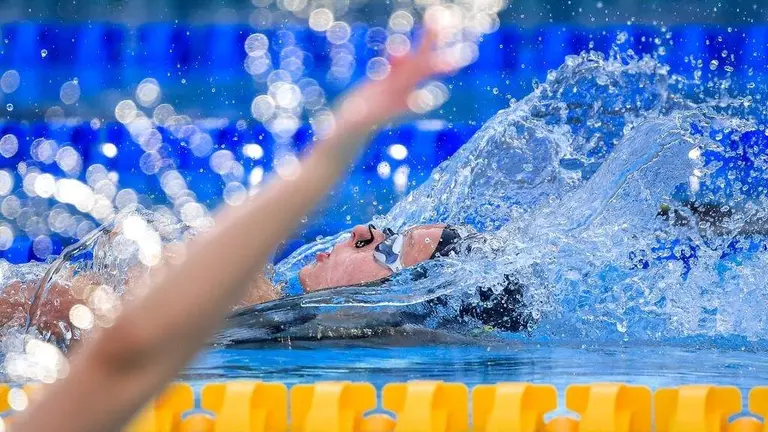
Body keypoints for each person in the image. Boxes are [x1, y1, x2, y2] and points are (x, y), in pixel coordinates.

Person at [12, 27, 457, 432]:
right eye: (385, 230)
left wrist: (327, 159)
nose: (364, 230)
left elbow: (119, 347)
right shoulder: (262, 315)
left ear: (398, 300)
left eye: (391, 248)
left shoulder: (254, 311)